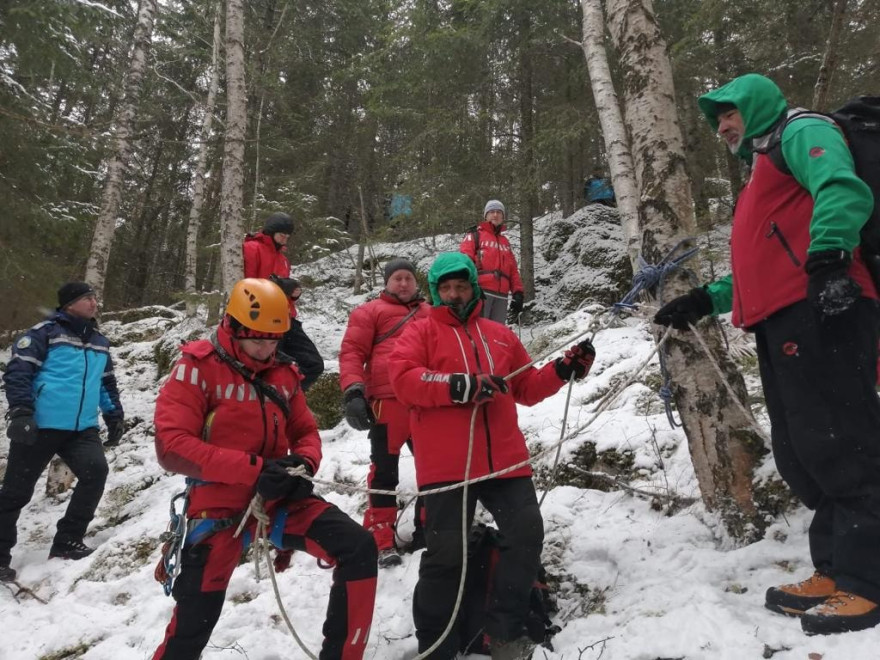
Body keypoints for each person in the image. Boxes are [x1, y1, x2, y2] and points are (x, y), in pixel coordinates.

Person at [654, 73, 880, 636]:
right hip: (784, 317)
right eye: (717, 120)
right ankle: (835, 569)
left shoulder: (799, 132)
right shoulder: (761, 170)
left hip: (824, 305)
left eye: (728, 114)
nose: (722, 127)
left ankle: (867, 581)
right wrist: (705, 299)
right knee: (805, 450)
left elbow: (843, 188)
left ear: (755, 106)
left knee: (843, 441)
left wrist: (830, 257)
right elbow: (764, 263)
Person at [151, 278, 377, 659]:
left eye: (274, 340)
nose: (266, 349)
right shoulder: (197, 368)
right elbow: (171, 446)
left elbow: (305, 431)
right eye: (257, 339)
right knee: (191, 628)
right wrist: (255, 470)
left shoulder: (283, 373)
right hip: (218, 506)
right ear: (233, 326)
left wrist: (303, 463)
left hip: (277, 496)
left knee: (357, 546)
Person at [388, 252, 595, 659]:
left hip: (505, 461)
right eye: (446, 288)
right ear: (437, 292)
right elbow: (405, 380)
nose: (454, 294)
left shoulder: (499, 335)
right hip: (447, 466)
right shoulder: (419, 332)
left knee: (526, 535)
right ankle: (436, 645)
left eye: (461, 286)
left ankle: (504, 630)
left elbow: (527, 387)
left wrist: (562, 370)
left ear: (473, 288)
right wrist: (458, 385)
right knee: (446, 556)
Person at [0, 282, 124, 582]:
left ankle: (68, 541)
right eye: (87, 298)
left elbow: (105, 382)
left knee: (96, 473)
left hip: (82, 428)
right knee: (16, 492)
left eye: (94, 297)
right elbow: (19, 373)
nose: (94, 303)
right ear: (69, 303)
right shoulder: (44, 333)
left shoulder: (99, 341)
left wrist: (114, 415)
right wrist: (21, 412)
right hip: (40, 425)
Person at [339, 258, 430, 568]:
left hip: (426, 401)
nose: (403, 283)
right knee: (384, 473)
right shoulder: (369, 312)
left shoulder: (431, 313)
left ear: (416, 282)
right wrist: (353, 391)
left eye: (408, 278)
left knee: (433, 471)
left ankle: (427, 531)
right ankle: (381, 540)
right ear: (387, 282)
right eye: (397, 278)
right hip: (387, 403)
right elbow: (352, 352)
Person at [242, 211, 325, 389]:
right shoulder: (251, 248)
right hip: (262, 319)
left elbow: (282, 293)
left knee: (314, 364)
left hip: (286, 318)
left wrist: (292, 295)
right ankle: (270, 396)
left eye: (287, 237)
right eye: (281, 235)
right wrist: (277, 284)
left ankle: (285, 395)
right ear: (271, 232)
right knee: (270, 366)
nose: (284, 240)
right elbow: (246, 285)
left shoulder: (283, 259)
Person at [459, 200, 525, 325]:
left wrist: (518, 292)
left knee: (496, 331)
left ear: (503, 217)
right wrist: (468, 288)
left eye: (499, 212)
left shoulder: (505, 242)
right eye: (492, 212)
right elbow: (464, 262)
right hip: (481, 292)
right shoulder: (474, 236)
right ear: (486, 216)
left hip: (502, 295)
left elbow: (513, 270)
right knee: (479, 329)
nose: (495, 215)